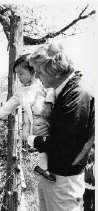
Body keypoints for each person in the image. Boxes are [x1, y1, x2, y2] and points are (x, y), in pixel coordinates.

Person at [26, 42, 95, 211]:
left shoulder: (77, 95)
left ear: (54, 71)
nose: (36, 77)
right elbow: (62, 132)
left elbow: (64, 144)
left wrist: (31, 140)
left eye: (39, 72)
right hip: (54, 176)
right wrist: (45, 129)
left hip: (64, 181)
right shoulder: (63, 92)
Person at [0, 53, 56, 182]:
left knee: (50, 143)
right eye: (17, 74)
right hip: (34, 122)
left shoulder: (41, 84)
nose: (19, 77)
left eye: (21, 73)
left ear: (33, 71)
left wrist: (49, 103)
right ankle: (44, 167)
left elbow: (51, 91)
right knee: (42, 144)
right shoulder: (20, 91)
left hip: (47, 117)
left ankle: (48, 167)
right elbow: (10, 104)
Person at [83, 144, 95, 211]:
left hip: (95, 188)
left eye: (93, 149)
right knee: (86, 205)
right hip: (86, 187)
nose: (91, 150)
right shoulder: (85, 159)